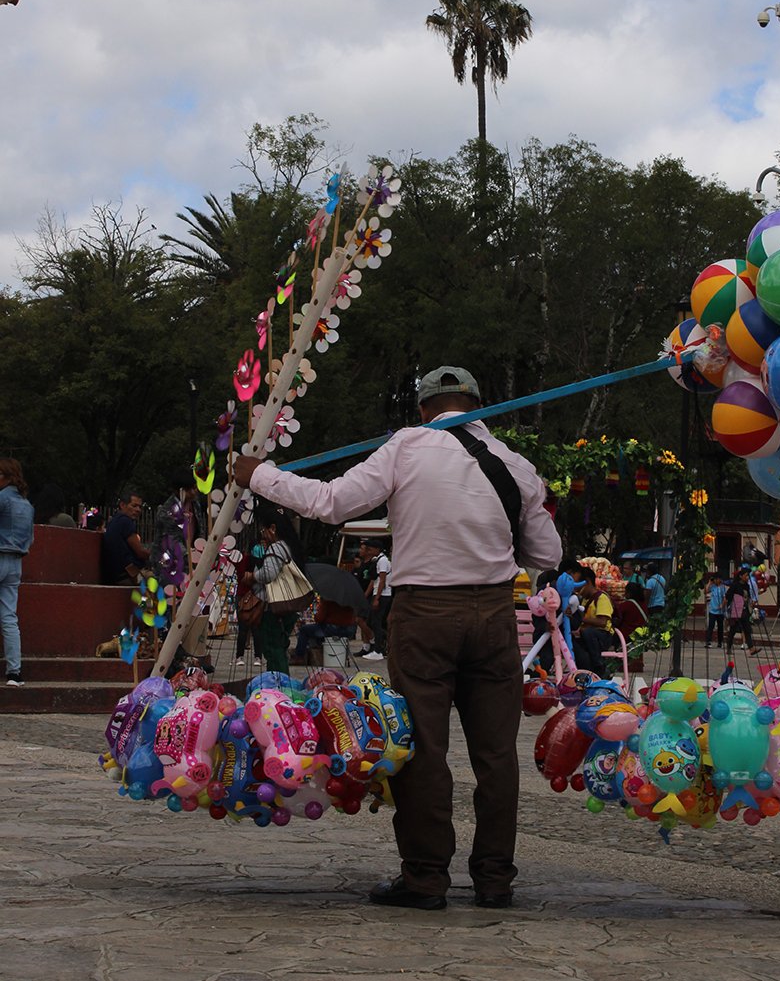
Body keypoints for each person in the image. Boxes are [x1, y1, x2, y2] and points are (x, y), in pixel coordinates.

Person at [234, 364, 562, 911]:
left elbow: (330, 503)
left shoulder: (406, 446)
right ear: (478, 404)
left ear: (423, 409)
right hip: (493, 617)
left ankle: (427, 878)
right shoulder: (514, 464)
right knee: (496, 755)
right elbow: (547, 555)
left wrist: (259, 475)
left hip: (425, 615)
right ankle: (494, 879)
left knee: (425, 750)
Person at [241, 501, 307, 676]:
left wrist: (252, 576)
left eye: (263, 530)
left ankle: (277, 685)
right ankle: (280, 681)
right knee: (280, 646)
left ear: (272, 528)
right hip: (286, 606)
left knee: (272, 649)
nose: (263, 535)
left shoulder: (277, 548)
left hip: (273, 607)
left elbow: (268, 574)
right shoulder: (289, 546)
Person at [0, 459, 35, 687]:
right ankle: (14, 672)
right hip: (16, 562)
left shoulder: (1, 499)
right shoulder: (27, 505)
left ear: (5, 476)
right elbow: (31, 538)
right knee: (9, 617)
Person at [101, 490, 150, 585]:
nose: (138, 510)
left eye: (140, 507)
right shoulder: (126, 522)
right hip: (124, 576)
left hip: (112, 575)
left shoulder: (114, 521)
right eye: (134, 506)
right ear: (122, 505)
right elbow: (140, 552)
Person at [725, 568, 758, 654]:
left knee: (747, 629)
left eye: (748, 575)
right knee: (733, 629)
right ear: (740, 576)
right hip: (736, 609)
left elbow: (749, 596)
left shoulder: (746, 586)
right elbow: (728, 595)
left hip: (745, 609)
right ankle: (729, 647)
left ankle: (751, 648)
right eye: (746, 575)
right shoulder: (735, 585)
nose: (747, 577)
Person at [705, 574, 726, 647]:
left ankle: (720, 642)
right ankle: (708, 641)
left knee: (720, 627)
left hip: (720, 611)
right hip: (712, 610)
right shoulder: (712, 587)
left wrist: (722, 605)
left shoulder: (722, 587)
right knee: (711, 626)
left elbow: (724, 598)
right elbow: (706, 591)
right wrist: (709, 583)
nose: (716, 581)